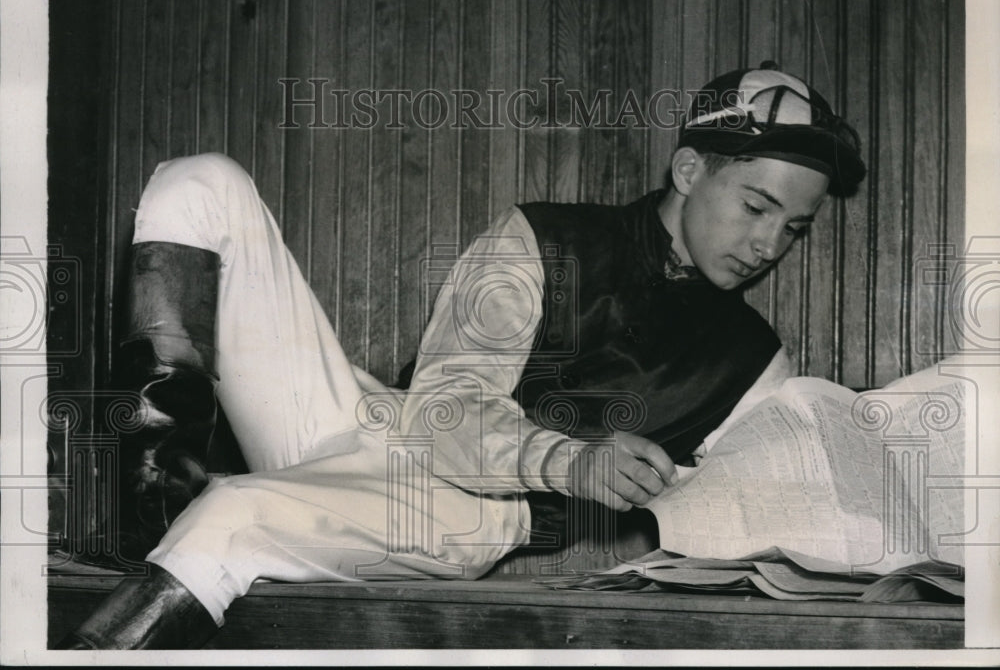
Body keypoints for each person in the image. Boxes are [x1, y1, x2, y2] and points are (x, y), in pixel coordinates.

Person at [57, 62, 866, 649]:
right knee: (201, 181)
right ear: (690, 168)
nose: (769, 243)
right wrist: (571, 460)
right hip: (381, 426)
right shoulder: (540, 236)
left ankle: (185, 534)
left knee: (231, 517)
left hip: (466, 512)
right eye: (757, 205)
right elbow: (443, 410)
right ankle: (155, 504)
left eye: (794, 228)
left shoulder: (756, 360)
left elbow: (776, 500)